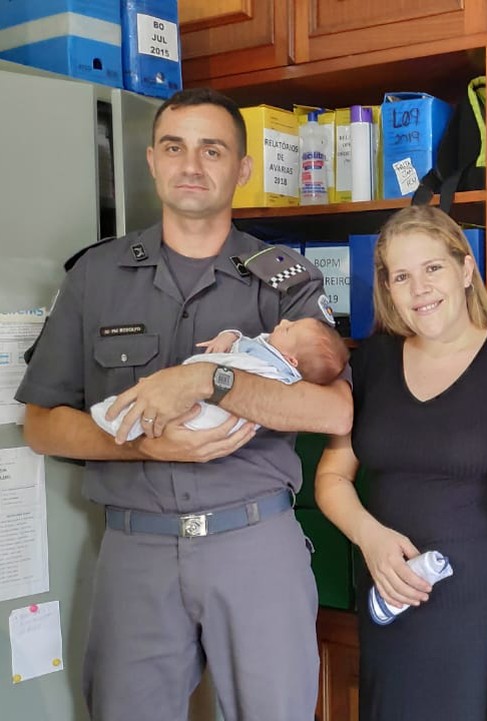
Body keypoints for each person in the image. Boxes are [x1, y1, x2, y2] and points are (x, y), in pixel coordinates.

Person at [15, 87, 352, 721]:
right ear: (151, 160)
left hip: (255, 542)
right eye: (175, 147)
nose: (191, 165)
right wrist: (139, 441)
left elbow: (335, 413)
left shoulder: (285, 279)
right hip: (134, 550)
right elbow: (41, 425)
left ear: (242, 169)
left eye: (212, 149)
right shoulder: (95, 276)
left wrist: (212, 383)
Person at [314, 205, 487, 721]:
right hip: (391, 602)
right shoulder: (373, 362)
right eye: (401, 277)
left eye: (433, 268)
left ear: (465, 269)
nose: (419, 289)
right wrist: (371, 537)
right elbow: (332, 477)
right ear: (388, 290)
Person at [91, 317, 344, 440]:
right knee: (158, 400)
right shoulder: (269, 345)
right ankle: (124, 418)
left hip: (222, 419)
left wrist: (207, 379)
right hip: (197, 394)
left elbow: (270, 399)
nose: (284, 321)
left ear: (291, 361)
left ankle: (120, 420)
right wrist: (228, 336)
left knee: (177, 413)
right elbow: (243, 340)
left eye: (289, 328)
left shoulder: (276, 373)